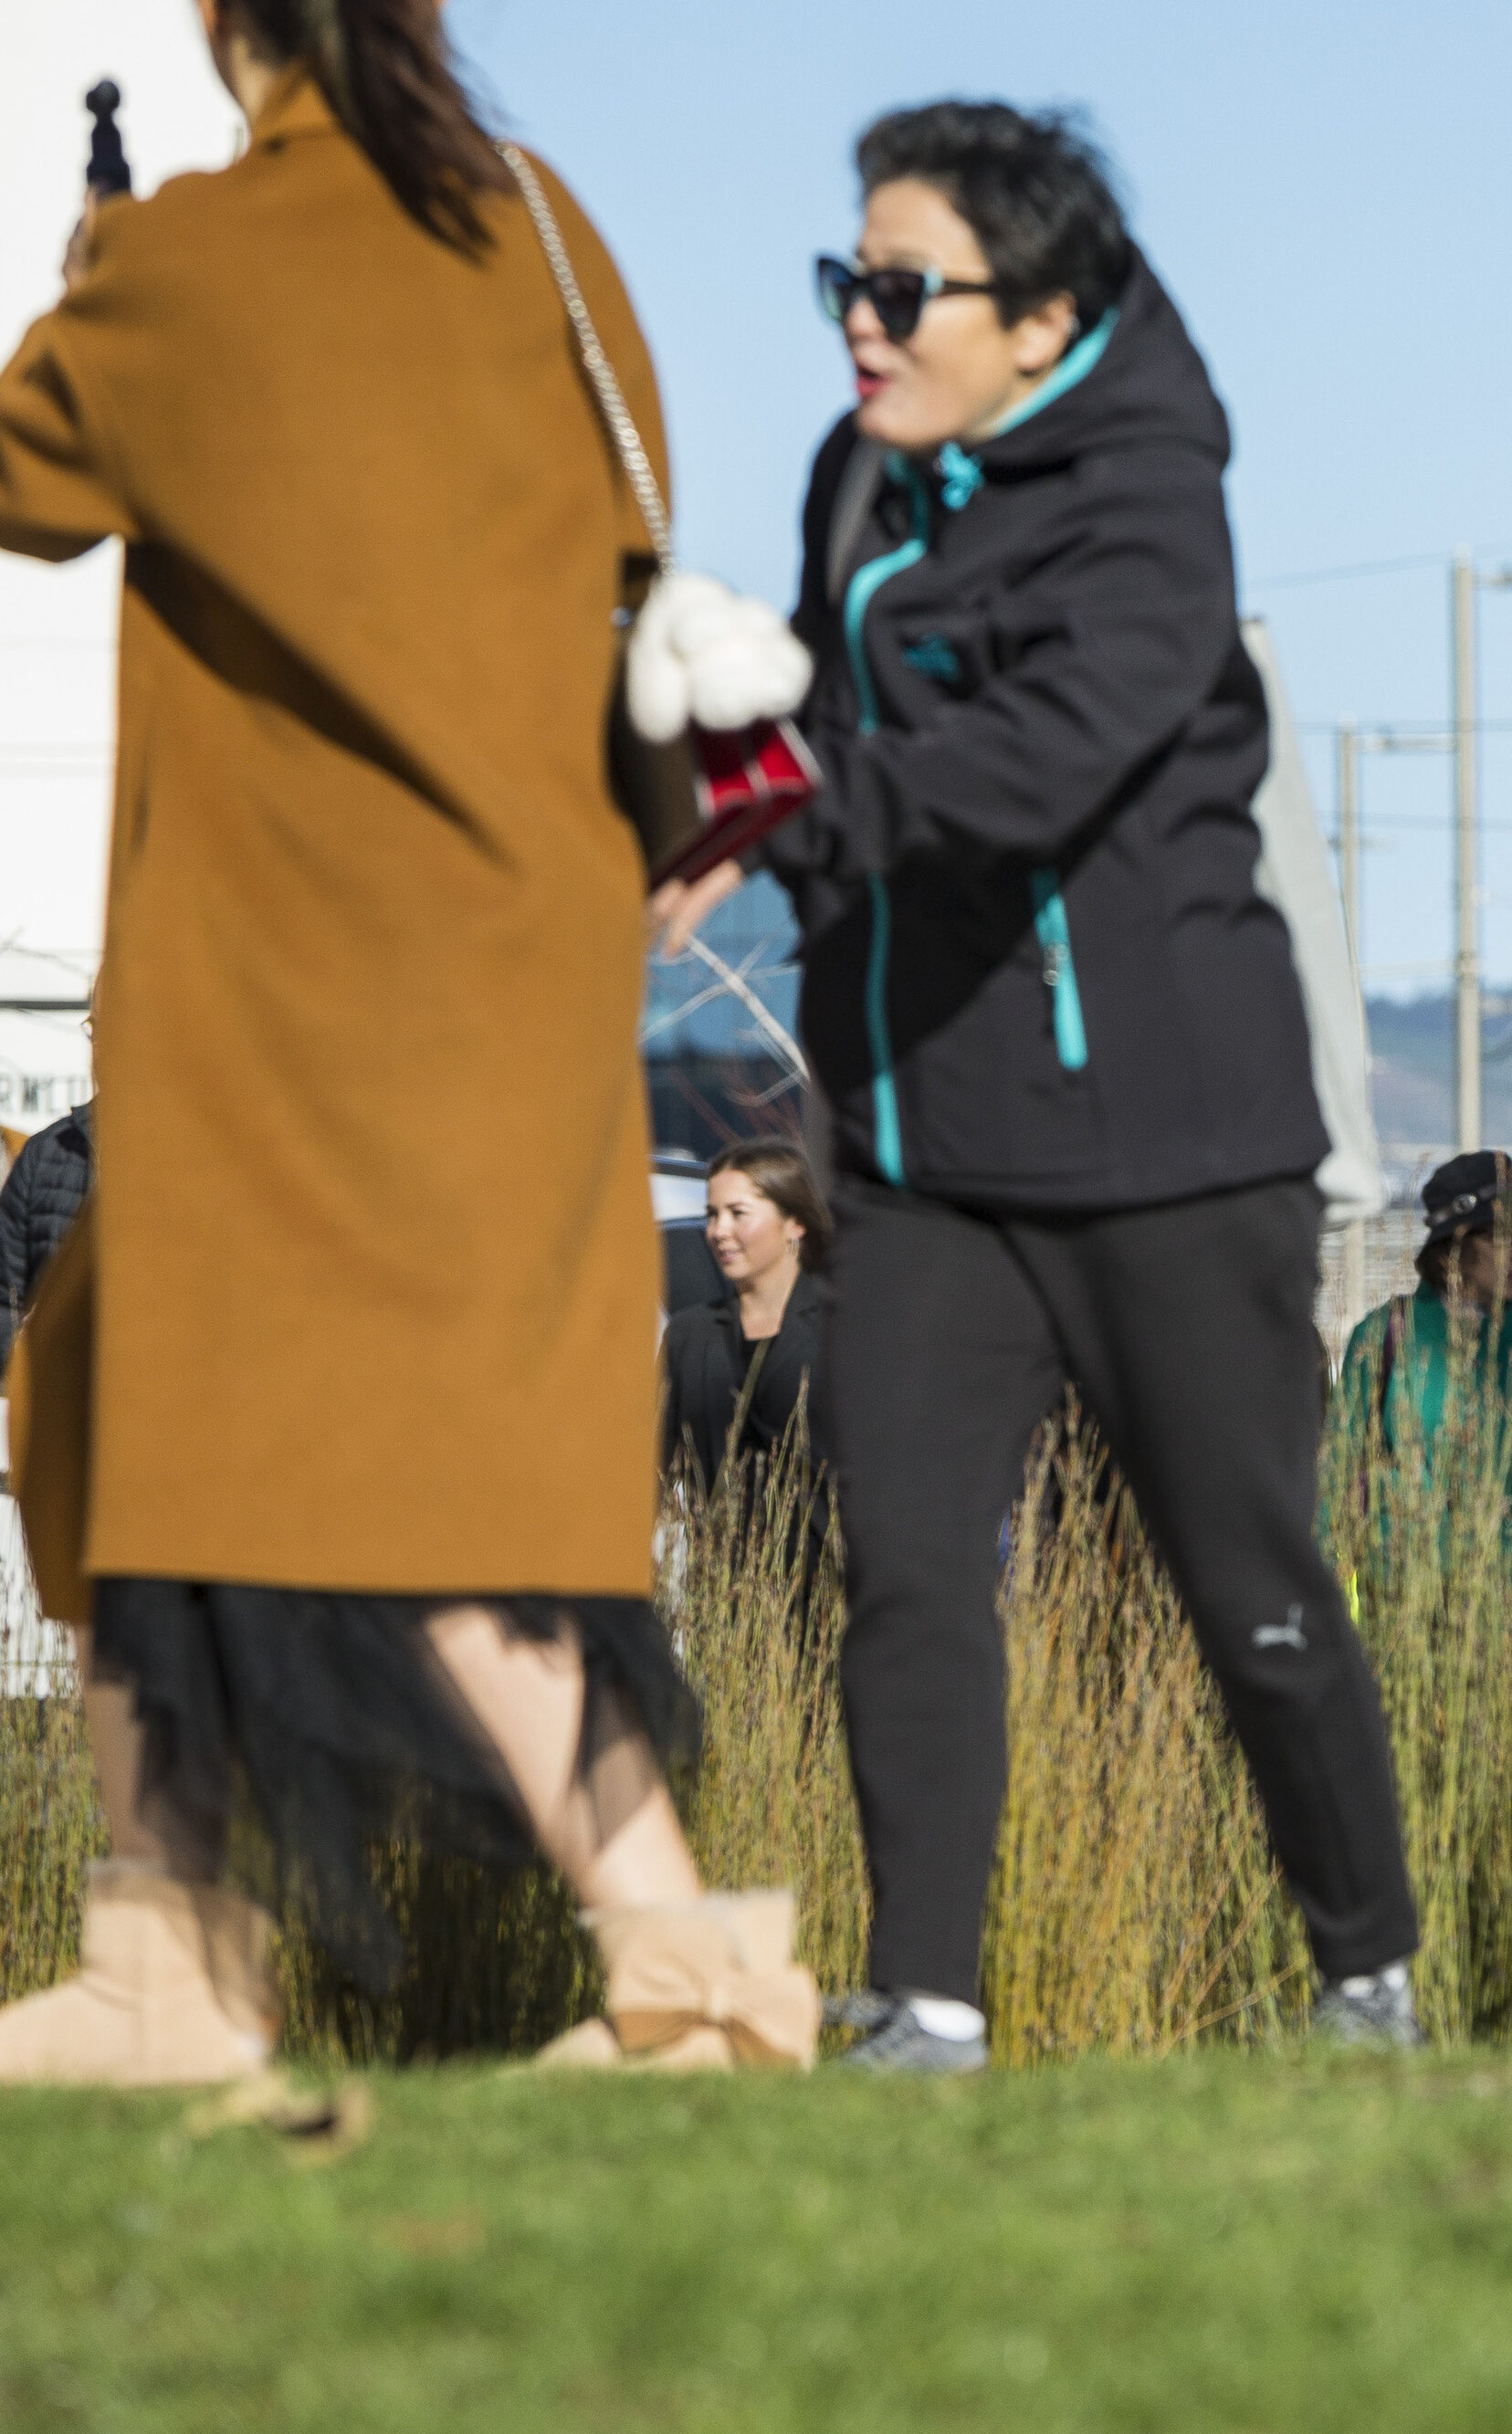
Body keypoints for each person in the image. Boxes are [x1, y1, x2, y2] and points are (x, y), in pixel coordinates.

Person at [0, 0, 815, 2083]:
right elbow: (628, 528)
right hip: (531, 957)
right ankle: (629, 1950)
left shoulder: (192, 260)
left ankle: (206, 1965)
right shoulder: (542, 228)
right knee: (424, 1449)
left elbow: (30, 478)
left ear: (221, 29)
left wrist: (96, 280)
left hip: (292, 974)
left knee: (184, 1415)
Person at [656, 103, 1419, 2069]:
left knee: (1241, 1577)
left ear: (1041, 313)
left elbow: (1045, 763)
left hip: (1169, 1145)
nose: (861, 324)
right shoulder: (861, 470)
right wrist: (699, 746)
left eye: (902, 290)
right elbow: (826, 726)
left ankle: (1366, 1979)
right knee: (903, 1563)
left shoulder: (1150, 493)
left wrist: (802, 820)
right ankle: (924, 2001)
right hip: (917, 1147)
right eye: (848, 280)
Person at [1334, 1153, 1512, 1625]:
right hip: (1412, 1627)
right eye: (1502, 1234)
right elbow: (1337, 1478)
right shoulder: (1384, 1337)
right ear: (1454, 1243)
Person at [661, 1138, 833, 1493]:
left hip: (827, 1546)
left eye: (737, 1213)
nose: (718, 1231)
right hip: (718, 1545)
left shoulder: (841, 1328)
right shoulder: (690, 1336)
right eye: (712, 1215)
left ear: (795, 1223)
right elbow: (652, 1470)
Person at [0, 1100, 89, 1369]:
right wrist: (19, 1347)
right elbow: (6, 1296)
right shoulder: (45, 1152)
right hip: (56, 1389)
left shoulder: (196, 1155)